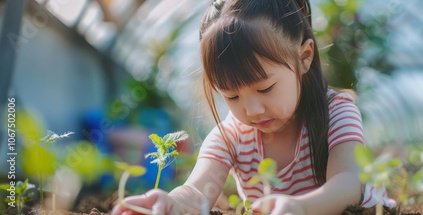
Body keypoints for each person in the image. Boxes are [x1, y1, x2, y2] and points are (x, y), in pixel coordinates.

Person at [112, 0, 395, 214]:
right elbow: (197, 190)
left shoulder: (337, 113)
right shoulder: (230, 137)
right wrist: (170, 202)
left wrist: (300, 208)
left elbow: (348, 182)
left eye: (265, 88)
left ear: (305, 57)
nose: (252, 109)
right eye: (231, 96)